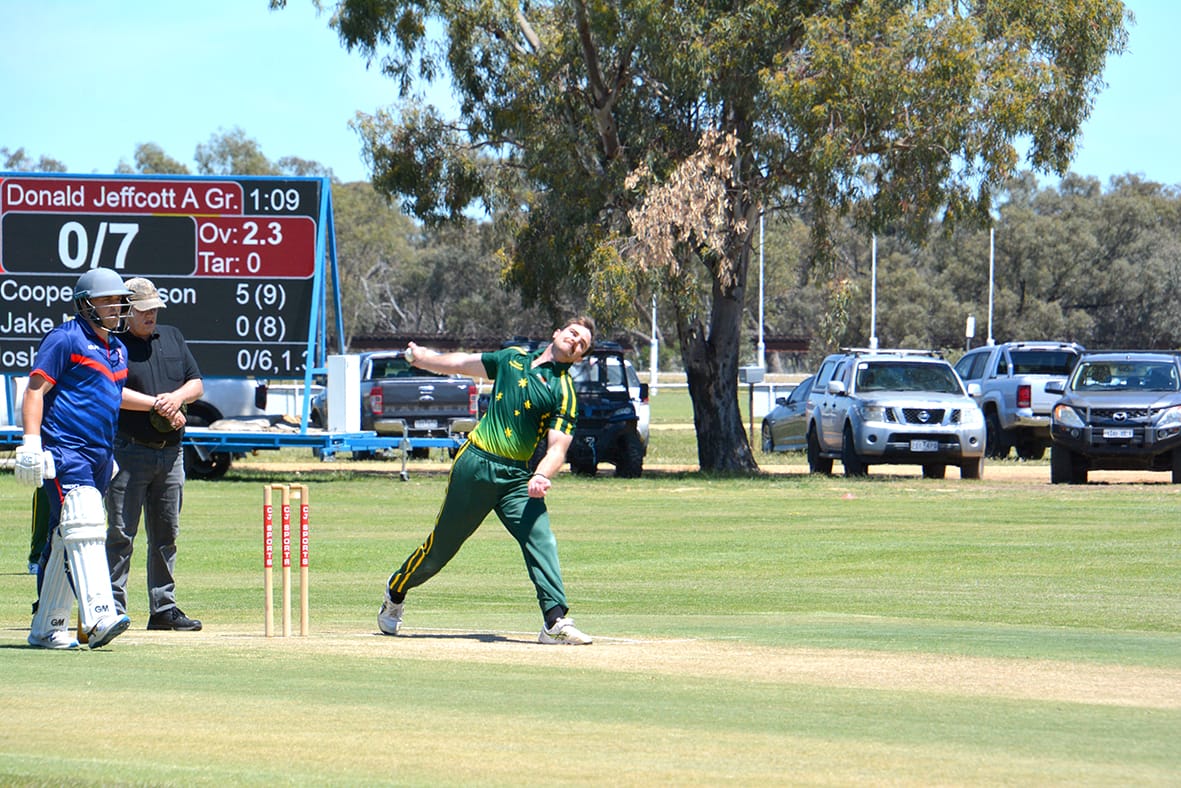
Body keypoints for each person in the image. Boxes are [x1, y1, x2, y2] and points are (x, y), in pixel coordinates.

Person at [379, 317, 597, 645]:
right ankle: (396, 591)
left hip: (518, 480)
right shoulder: (511, 359)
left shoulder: (563, 392)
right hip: (476, 465)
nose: (576, 342)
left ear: (579, 358)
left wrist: (541, 475)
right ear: (557, 333)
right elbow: (463, 363)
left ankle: (554, 621)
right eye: (573, 334)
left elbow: (558, 448)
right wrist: (422, 357)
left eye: (582, 345)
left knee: (541, 540)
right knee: (441, 548)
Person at [17, 268, 159, 649]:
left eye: (119, 301)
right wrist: (31, 443)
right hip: (65, 447)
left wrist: (154, 405)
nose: (116, 308)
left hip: (99, 452)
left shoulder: (117, 348)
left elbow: (112, 394)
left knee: (67, 537)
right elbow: (34, 390)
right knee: (84, 522)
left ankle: (47, 627)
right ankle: (99, 615)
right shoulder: (65, 339)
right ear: (86, 305)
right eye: (108, 301)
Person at [105, 277, 205, 632]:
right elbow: (112, 393)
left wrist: (176, 399)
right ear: (127, 311)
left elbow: (196, 384)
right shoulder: (113, 345)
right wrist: (161, 405)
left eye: (155, 309)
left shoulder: (173, 336)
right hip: (129, 451)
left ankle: (163, 608)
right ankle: (111, 609)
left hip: (171, 454)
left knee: (166, 535)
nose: (152, 315)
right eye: (145, 310)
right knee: (120, 534)